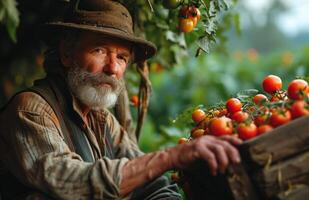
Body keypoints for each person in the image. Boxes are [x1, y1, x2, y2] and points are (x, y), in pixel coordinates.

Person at [0, 0, 242, 199]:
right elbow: (72, 183)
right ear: (66, 53)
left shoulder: (101, 118)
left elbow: (150, 183)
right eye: (100, 50)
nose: (113, 68)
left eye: (122, 57)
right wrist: (171, 156)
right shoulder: (32, 111)